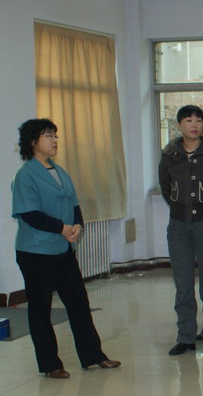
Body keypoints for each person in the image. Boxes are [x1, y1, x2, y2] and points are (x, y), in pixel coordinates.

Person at [11, 118, 121, 378]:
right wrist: (62, 228)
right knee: (40, 309)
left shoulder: (60, 172)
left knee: (79, 303)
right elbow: (29, 214)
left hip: (62, 250)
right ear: (33, 142)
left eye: (55, 135)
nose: (55, 140)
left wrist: (78, 226)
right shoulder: (25, 175)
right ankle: (51, 364)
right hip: (35, 252)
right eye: (48, 136)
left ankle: (94, 355)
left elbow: (74, 205)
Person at [159, 105, 203, 358]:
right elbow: (165, 187)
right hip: (178, 225)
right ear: (179, 125)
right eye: (188, 120)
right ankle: (185, 337)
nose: (194, 125)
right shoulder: (170, 153)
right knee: (183, 284)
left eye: (198, 121)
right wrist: (181, 209)